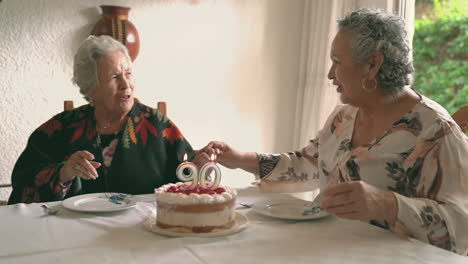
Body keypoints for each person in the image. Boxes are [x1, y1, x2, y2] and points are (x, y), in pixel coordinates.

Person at [199, 9, 468, 255]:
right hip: (329, 249)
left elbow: (461, 225)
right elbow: (310, 163)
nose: (329, 74)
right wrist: (240, 159)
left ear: (373, 64)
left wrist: (388, 203)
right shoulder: (346, 115)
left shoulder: (436, 132)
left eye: (337, 62)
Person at [8, 35, 205, 204]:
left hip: (143, 234)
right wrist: (63, 173)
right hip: (73, 234)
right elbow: (23, 184)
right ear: (89, 89)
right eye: (114, 77)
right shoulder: (61, 128)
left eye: (128, 74)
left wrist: (199, 166)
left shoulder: (156, 124)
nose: (125, 84)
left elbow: (185, 177)